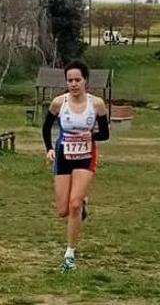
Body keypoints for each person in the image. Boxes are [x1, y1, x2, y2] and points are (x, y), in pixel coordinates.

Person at [42, 60, 109, 272]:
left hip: (86, 156)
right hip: (63, 155)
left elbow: (105, 134)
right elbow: (46, 128)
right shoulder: (58, 103)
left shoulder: (96, 104)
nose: (73, 84)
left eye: (77, 80)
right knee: (63, 210)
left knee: (74, 204)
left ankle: (69, 254)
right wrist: (49, 148)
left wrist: (90, 134)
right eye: (69, 80)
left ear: (85, 80)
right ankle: (81, 207)